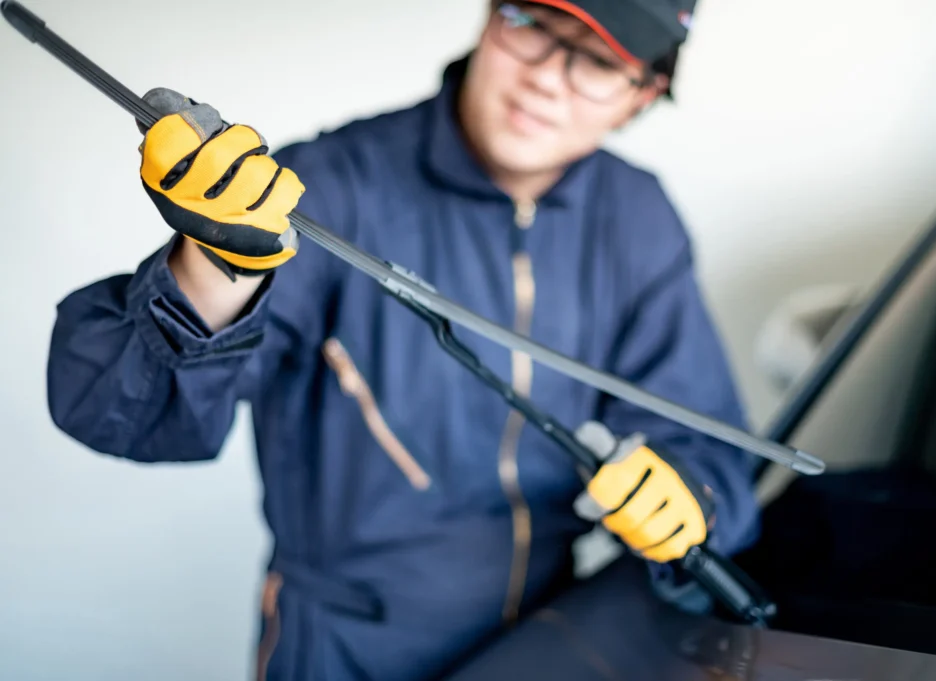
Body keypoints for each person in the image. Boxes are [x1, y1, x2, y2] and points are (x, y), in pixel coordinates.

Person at [46, 1, 761, 679]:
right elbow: (121, 415)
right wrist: (211, 266)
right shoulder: (328, 188)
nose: (547, 75)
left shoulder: (636, 218)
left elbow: (704, 434)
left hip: (547, 641)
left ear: (643, 93)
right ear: (489, 18)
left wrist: (689, 495)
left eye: (599, 62)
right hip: (347, 649)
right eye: (534, 24)